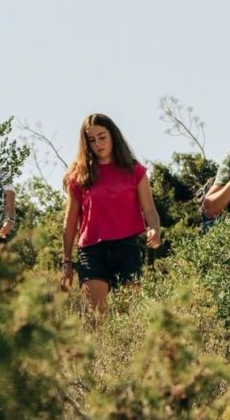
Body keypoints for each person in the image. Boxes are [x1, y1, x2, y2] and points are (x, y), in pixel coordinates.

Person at [59, 114, 161, 314]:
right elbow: (69, 222)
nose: (98, 144)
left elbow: (149, 210)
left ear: (113, 136)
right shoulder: (78, 177)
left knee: (128, 315)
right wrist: (67, 262)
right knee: (99, 317)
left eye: (102, 137)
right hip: (92, 251)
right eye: (91, 140)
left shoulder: (134, 171)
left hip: (127, 249)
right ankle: (97, 346)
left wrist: (154, 229)